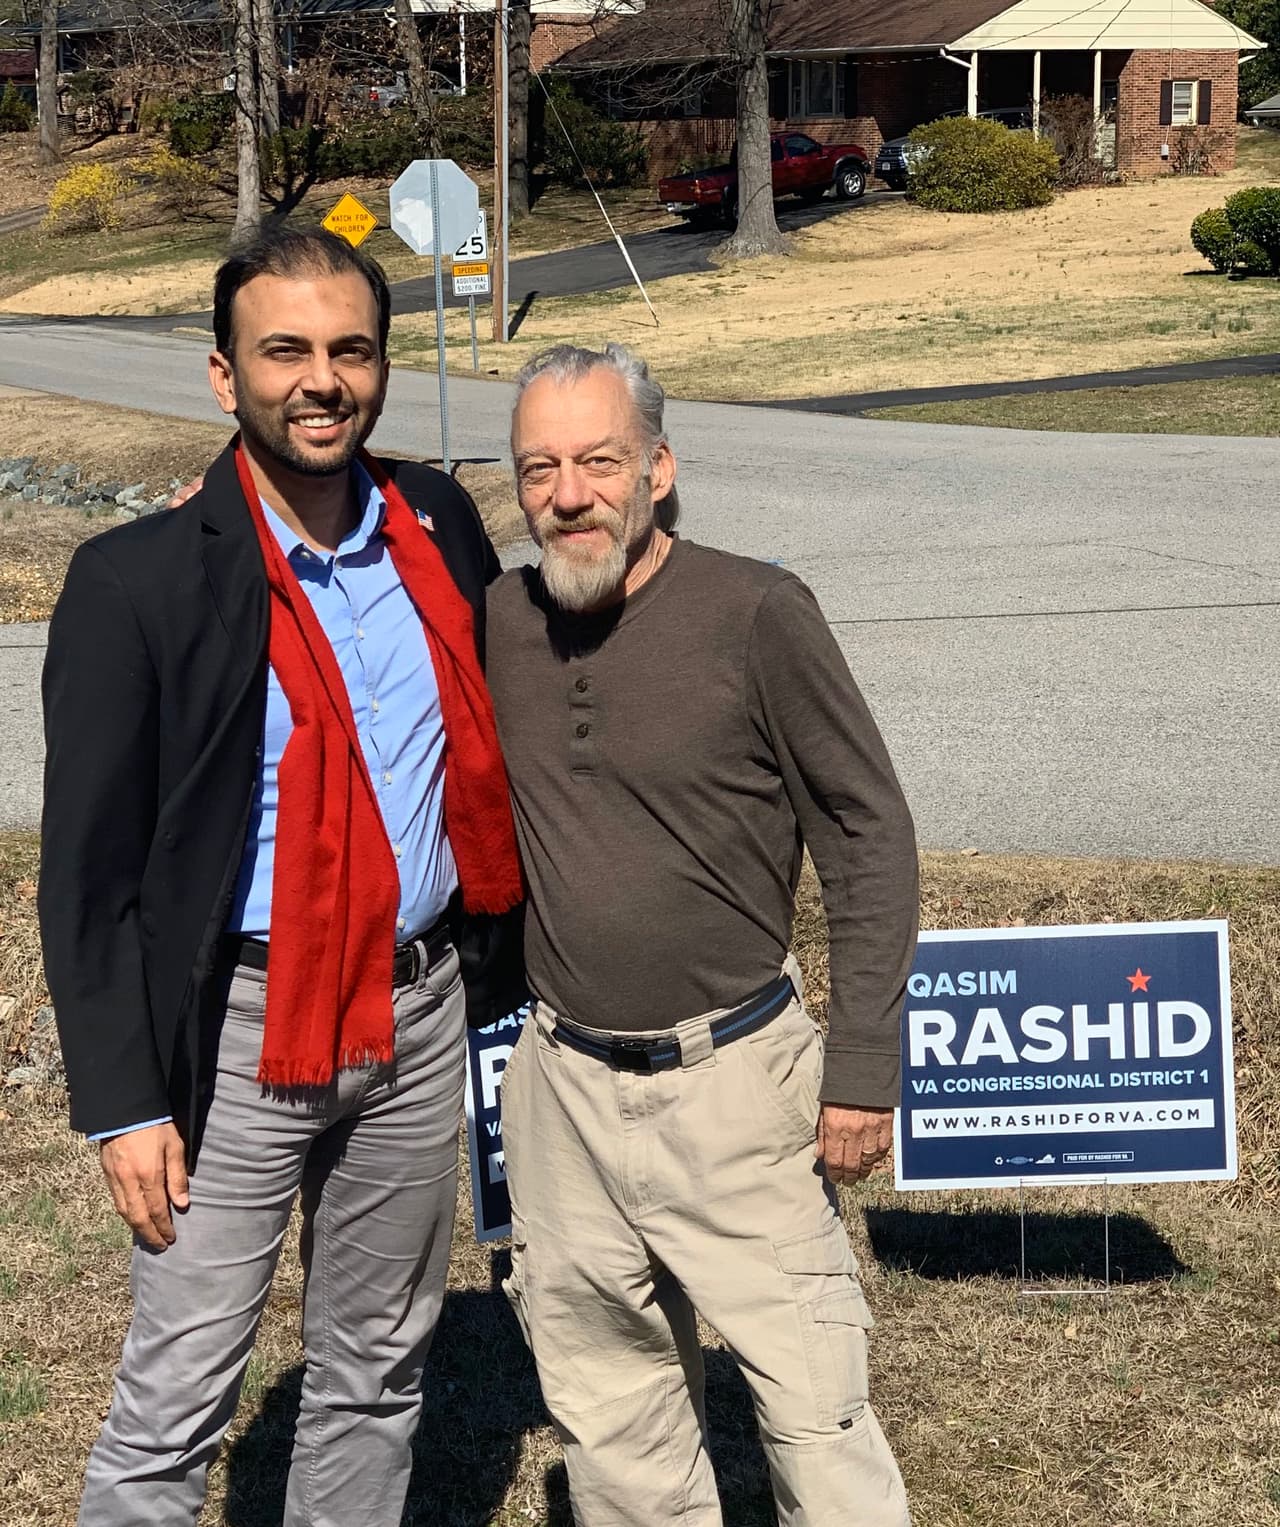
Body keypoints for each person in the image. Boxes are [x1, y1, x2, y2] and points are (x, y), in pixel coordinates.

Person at [38, 224, 524, 1527]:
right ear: (223, 374)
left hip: (417, 1008)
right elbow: (86, 877)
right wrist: (122, 1100)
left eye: (350, 349)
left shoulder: (437, 521)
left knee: (375, 1367)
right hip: (238, 1030)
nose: (323, 379)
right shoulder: (131, 581)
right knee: (180, 1389)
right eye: (286, 350)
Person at [487, 343, 918, 1526]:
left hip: (735, 1078)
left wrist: (862, 1067)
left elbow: (865, 832)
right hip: (561, 1088)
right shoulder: (498, 623)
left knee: (813, 1412)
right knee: (609, 1413)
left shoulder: (757, 612)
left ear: (659, 469)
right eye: (538, 469)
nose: (567, 494)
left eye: (597, 461)